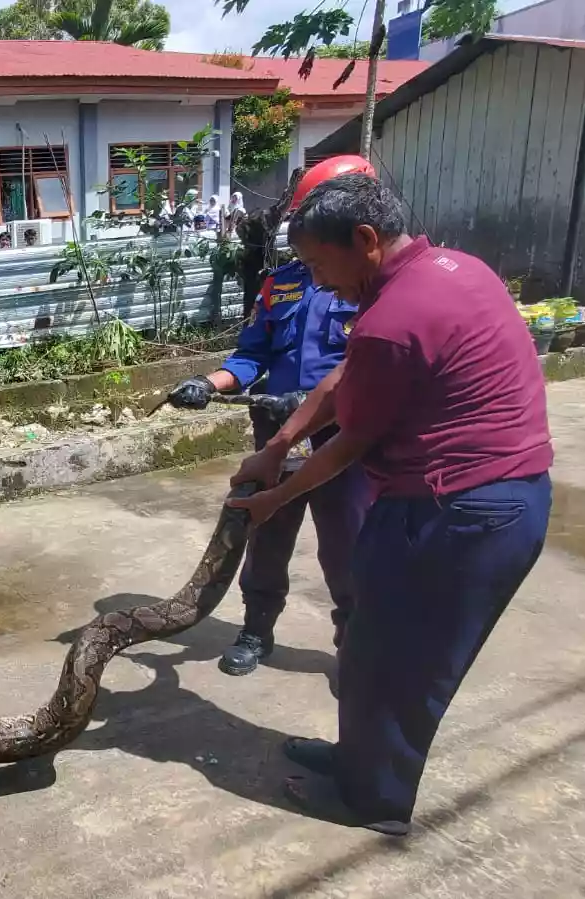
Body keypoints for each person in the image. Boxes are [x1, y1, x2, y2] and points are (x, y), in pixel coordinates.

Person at [226, 174, 553, 837]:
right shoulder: (452, 270)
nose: (317, 281)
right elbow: (343, 375)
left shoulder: (391, 318)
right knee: (374, 646)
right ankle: (357, 760)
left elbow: (349, 444)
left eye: (319, 263)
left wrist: (275, 497)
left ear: (365, 240)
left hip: (458, 514)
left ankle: (369, 799)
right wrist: (277, 443)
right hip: (494, 500)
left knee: (398, 662)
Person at [167, 155, 376, 679]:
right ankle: (257, 630)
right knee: (267, 532)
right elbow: (251, 355)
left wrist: (311, 400)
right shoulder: (280, 284)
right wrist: (207, 383)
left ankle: (355, 644)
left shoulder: (377, 288)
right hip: (275, 431)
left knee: (348, 545)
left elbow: (371, 369)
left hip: (342, 437)